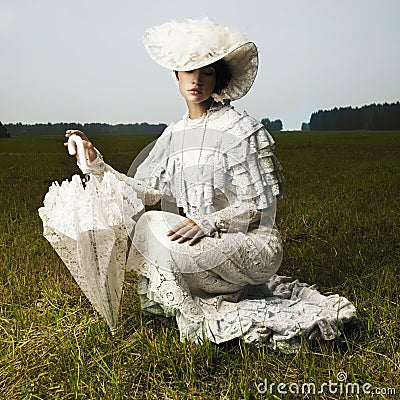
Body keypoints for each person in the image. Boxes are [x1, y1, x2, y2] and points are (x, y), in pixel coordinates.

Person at [55, 18, 355, 351]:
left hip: (251, 242)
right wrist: (96, 161)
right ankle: (200, 293)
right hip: (200, 239)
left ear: (219, 78)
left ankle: (212, 297)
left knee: (161, 235)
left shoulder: (240, 128)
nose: (197, 80)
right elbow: (147, 192)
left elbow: (260, 205)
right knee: (147, 225)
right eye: (189, 70)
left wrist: (208, 221)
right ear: (176, 75)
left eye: (207, 72)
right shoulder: (174, 134)